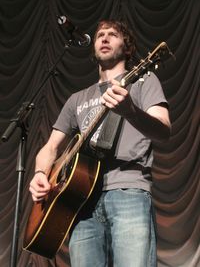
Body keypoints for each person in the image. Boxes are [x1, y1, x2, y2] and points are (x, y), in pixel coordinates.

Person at [29, 20, 171, 267]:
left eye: (112, 35)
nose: (104, 38)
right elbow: (50, 148)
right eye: (99, 35)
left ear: (127, 49)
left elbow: (163, 131)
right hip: (80, 203)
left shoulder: (144, 80)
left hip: (129, 192)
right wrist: (41, 173)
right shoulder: (77, 99)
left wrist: (130, 111)